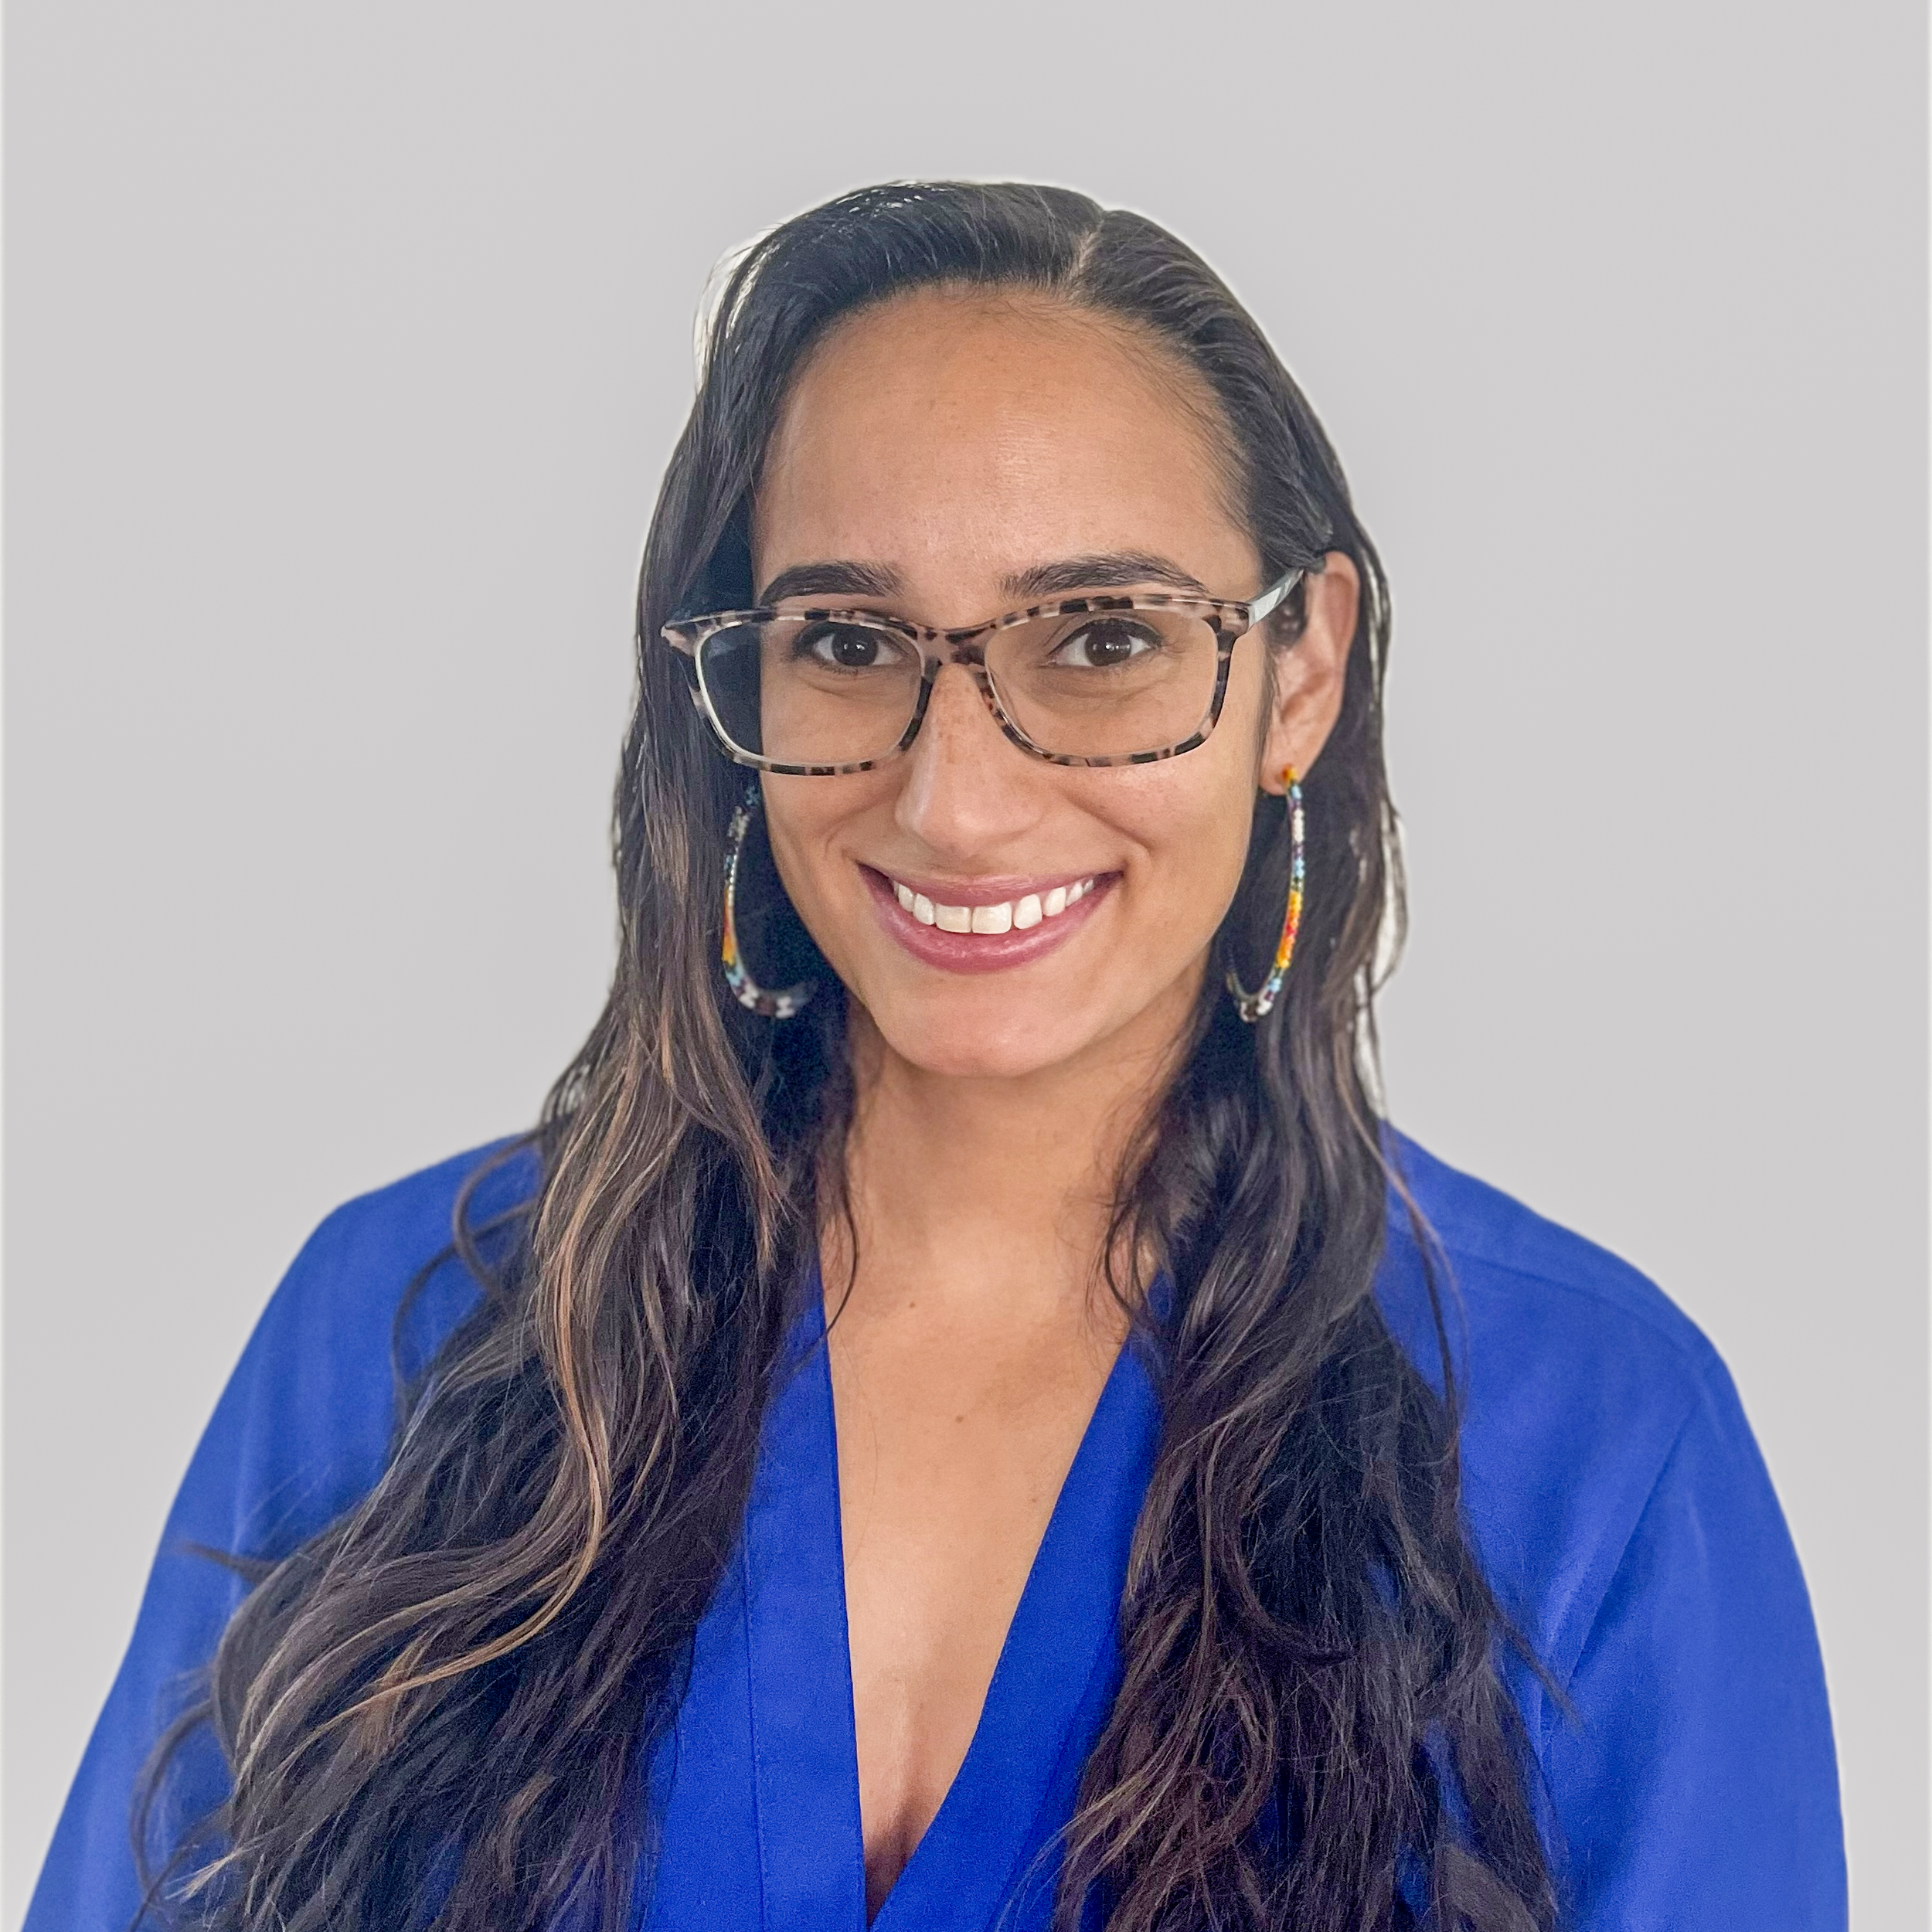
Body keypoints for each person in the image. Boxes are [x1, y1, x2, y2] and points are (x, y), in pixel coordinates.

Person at [26, 181, 1844, 1932]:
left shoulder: (1596, 1446)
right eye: (845, 640)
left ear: (1299, 672)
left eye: (1105, 638)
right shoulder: (398, 1331)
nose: (952, 796)